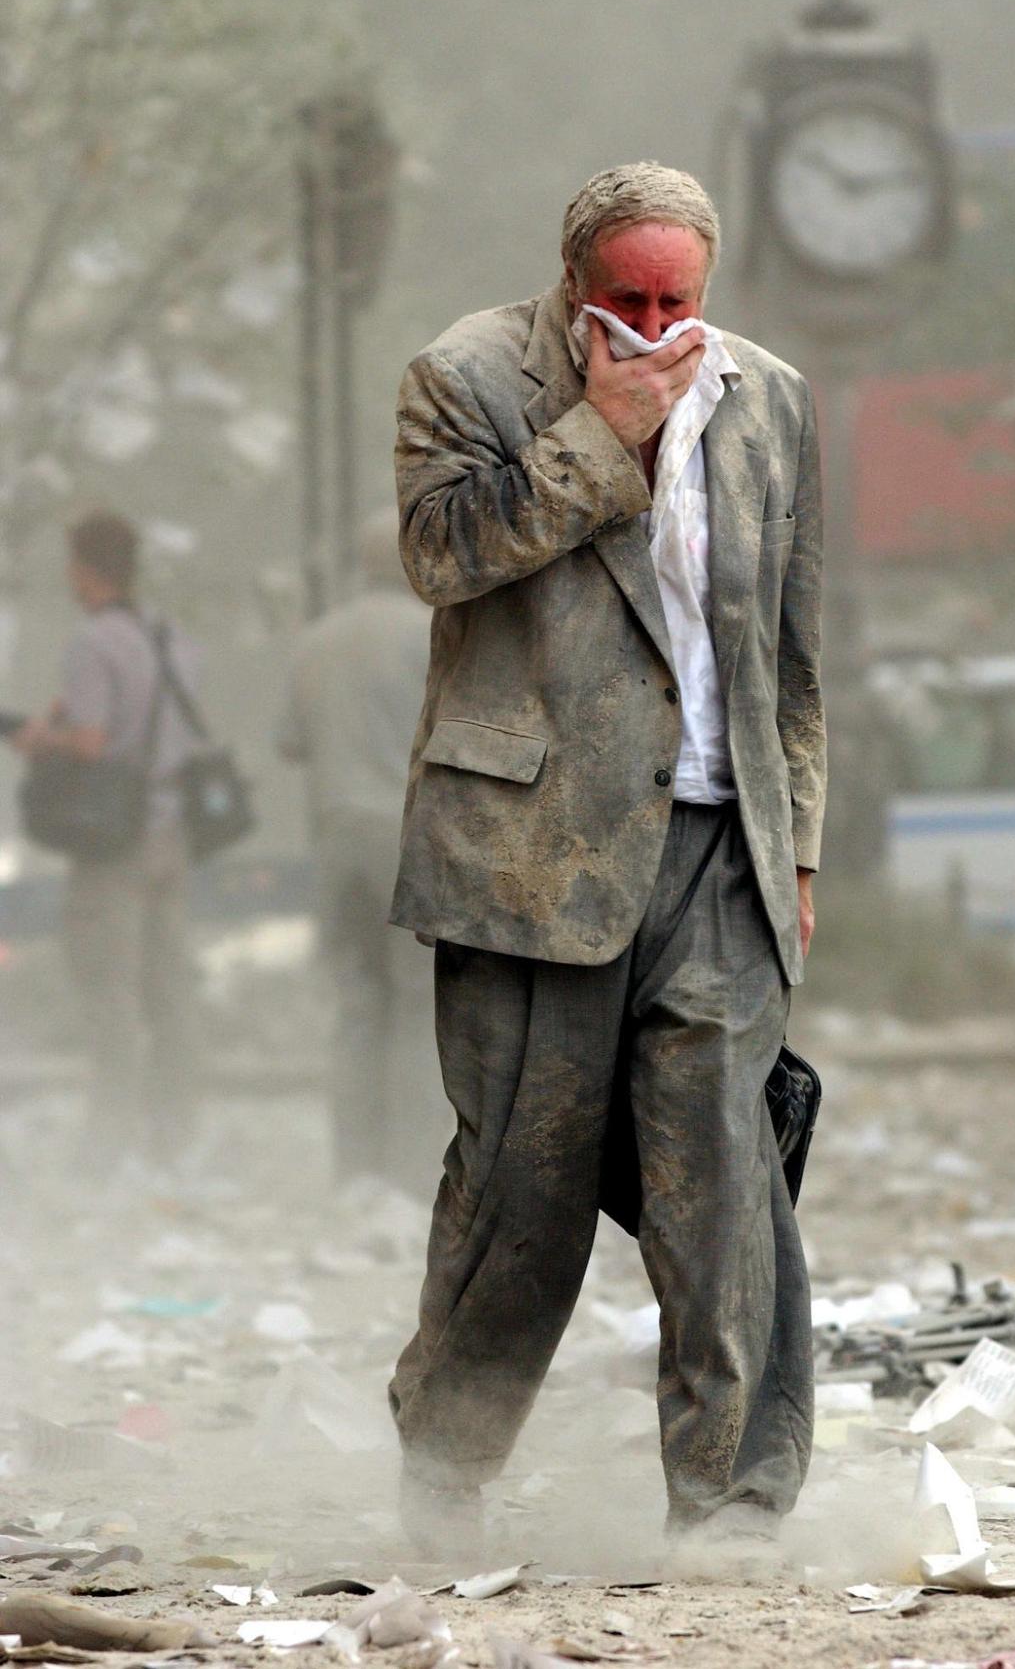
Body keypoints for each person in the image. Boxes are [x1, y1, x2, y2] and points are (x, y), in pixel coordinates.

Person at [387, 163, 826, 1566]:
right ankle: (442, 1474)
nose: (653, 325)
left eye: (677, 300)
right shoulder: (467, 377)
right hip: (527, 853)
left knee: (724, 1173)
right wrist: (603, 433)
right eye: (625, 299)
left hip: (719, 841)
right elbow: (440, 557)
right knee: (521, 1187)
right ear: (574, 280)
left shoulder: (769, 399)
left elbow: (792, 664)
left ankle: (734, 1499)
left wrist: (794, 843)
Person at [13, 511, 203, 1168]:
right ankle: (174, 1136)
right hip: (170, 834)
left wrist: (39, 739)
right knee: (168, 993)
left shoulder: (92, 641)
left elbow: (93, 743)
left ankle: (110, 1140)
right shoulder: (170, 635)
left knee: (109, 993)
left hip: (114, 843)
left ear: (83, 569)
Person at [277, 517, 441, 1187]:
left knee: (357, 1003)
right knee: (416, 1002)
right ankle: (411, 1171)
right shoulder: (431, 633)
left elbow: (289, 744)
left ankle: (355, 1170)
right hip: (406, 836)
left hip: (337, 836)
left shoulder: (316, 640)